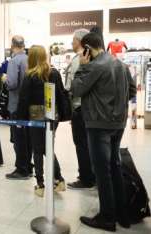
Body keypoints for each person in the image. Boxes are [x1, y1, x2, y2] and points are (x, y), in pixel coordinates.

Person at [72, 32, 136, 232]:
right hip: (118, 123)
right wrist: (114, 104)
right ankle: (121, 214)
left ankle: (107, 218)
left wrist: (82, 66)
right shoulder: (120, 65)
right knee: (114, 166)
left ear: (88, 48)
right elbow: (132, 90)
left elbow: (76, 89)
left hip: (99, 124)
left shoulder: (93, 66)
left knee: (102, 172)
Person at [17, 45, 66, 197]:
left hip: (36, 116)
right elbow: (61, 94)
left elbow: (23, 100)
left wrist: (20, 119)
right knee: (48, 147)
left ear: (31, 57)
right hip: (53, 116)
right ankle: (59, 179)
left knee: (38, 150)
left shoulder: (30, 76)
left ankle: (40, 184)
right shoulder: (55, 73)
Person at [65, 29, 96, 190]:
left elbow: (72, 87)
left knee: (81, 144)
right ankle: (91, 175)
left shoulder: (79, 60)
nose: (71, 42)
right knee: (89, 144)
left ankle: (86, 178)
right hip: (89, 108)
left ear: (79, 40)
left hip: (79, 108)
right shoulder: (91, 57)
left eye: (73, 39)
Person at [4, 35, 32, 180]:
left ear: (12, 45)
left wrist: (4, 80)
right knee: (28, 138)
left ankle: (21, 169)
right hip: (29, 106)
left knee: (19, 138)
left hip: (16, 105)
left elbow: (12, 83)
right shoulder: (29, 59)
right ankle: (28, 166)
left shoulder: (14, 61)